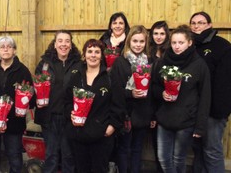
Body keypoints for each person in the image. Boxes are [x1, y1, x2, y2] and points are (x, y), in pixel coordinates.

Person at [150, 25, 211, 173]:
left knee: (179, 159)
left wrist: (200, 125)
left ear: (189, 43)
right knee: (163, 158)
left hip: (186, 121)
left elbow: (205, 95)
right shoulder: (163, 62)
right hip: (165, 119)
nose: (177, 47)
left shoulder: (199, 64)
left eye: (181, 43)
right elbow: (154, 87)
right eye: (174, 43)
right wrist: (162, 93)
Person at [64, 39, 124, 172]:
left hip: (101, 137)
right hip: (79, 135)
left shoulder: (110, 77)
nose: (93, 55)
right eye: (89, 51)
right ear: (84, 55)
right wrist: (71, 114)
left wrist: (112, 126)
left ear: (102, 56)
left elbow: (119, 105)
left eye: (97, 52)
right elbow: (67, 101)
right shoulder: (75, 76)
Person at [0, 36, 34, 173]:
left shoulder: (23, 70)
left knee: (15, 157)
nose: (6, 49)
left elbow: (30, 95)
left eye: (9, 46)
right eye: (2, 46)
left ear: (14, 50)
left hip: (14, 123)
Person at [189, 12, 231, 173]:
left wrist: (219, 111)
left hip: (214, 110)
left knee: (212, 150)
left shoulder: (222, 46)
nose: (196, 26)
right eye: (193, 23)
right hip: (194, 108)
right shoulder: (190, 45)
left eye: (200, 22)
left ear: (209, 25)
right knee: (198, 149)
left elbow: (225, 82)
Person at [34, 30, 81, 173]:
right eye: (60, 41)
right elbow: (36, 86)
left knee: (68, 156)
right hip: (49, 117)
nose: (64, 44)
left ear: (71, 45)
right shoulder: (44, 64)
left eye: (67, 41)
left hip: (70, 117)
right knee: (51, 155)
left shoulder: (79, 64)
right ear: (54, 44)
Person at [110, 25, 155, 173]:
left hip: (143, 113)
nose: (138, 45)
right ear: (129, 41)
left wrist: (153, 115)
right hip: (126, 114)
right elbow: (115, 90)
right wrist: (131, 94)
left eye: (141, 41)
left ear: (146, 43)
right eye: (135, 41)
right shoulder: (120, 62)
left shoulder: (150, 61)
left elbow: (154, 89)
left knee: (137, 150)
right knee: (124, 149)